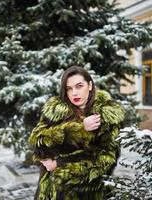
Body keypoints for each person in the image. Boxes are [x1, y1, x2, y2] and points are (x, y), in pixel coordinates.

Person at [28, 66, 125, 200]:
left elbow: (105, 160)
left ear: (90, 85)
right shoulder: (55, 111)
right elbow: (37, 141)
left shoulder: (106, 115)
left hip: (86, 193)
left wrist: (59, 163)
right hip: (49, 192)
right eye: (69, 88)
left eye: (79, 86)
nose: (74, 93)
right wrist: (79, 129)